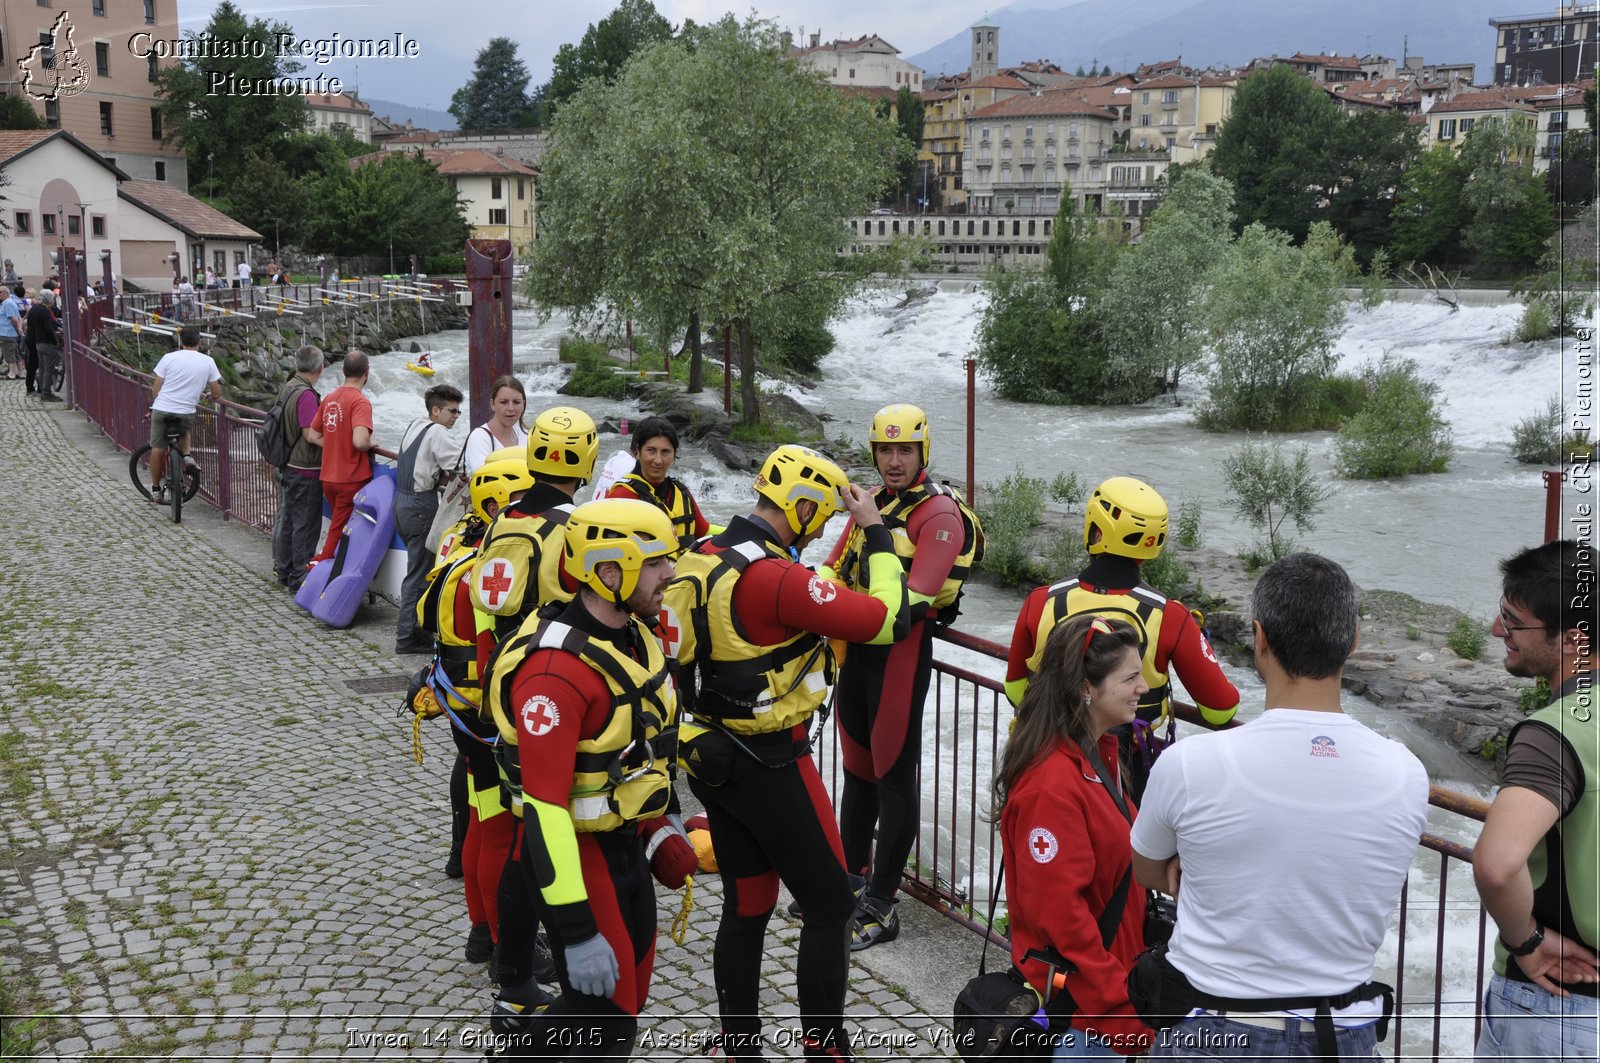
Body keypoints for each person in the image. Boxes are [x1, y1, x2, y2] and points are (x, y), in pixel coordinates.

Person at [664, 444, 910, 1061]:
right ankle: (825, 1048)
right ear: (801, 506)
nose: (822, 526)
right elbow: (888, 618)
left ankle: (741, 1048)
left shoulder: (704, 553)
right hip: (772, 760)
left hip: (714, 754)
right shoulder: (774, 576)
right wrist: (876, 531)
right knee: (831, 903)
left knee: (748, 904)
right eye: (821, 516)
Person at [1130, 552, 1428, 1061]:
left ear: (1259, 637)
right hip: (1345, 1034)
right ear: (1352, 642)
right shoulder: (1406, 773)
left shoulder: (1190, 763)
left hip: (1216, 1028)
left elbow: (1148, 871)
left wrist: (1202, 865)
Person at [483, 498, 689, 1059]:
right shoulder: (554, 673)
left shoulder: (635, 635)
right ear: (607, 570)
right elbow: (545, 809)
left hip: (624, 852)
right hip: (575, 861)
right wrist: (574, 930)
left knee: (611, 1004)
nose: (670, 573)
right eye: (654, 562)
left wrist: (661, 830)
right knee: (611, 1028)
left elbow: (639, 752)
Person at [819, 403, 979, 949]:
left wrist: (841, 603)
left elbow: (909, 606)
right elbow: (833, 568)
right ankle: (848, 883)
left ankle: (883, 904)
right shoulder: (873, 502)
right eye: (884, 450)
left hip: (901, 653)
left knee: (891, 776)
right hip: (860, 653)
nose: (893, 461)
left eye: (904, 450)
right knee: (858, 771)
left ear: (922, 452)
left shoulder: (938, 517)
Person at [470, 405, 599, 1003]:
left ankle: (510, 959)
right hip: (552, 685)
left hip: (499, 680)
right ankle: (535, 959)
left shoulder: (504, 520)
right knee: (546, 827)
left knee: (516, 825)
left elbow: (491, 603)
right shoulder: (577, 526)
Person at [1006, 476, 1239, 798]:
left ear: (1095, 530)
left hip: (1045, 752)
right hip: (1128, 769)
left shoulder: (1043, 600)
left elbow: (1016, 690)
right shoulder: (1169, 615)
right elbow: (1221, 710)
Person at [995, 615, 1154, 1058]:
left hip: (1109, 995)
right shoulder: (1053, 784)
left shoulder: (1097, 755)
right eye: (1131, 677)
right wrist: (1119, 1009)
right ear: (1087, 688)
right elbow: (1061, 916)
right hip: (1088, 1017)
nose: (1144, 687)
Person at [1473, 539, 1600, 1059]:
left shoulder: (1556, 732)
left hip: (1557, 1007)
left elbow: (1498, 864)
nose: (1496, 630)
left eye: (1512, 620)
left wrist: (1526, 943)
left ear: (1573, 639)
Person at [415, 451, 535, 969]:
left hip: (461, 708)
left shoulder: (460, 546)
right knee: (502, 833)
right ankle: (507, 942)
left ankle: (481, 933)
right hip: (489, 717)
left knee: (483, 825)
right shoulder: (496, 567)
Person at [472, 404, 597, 651]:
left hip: (502, 660)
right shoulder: (579, 528)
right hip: (554, 666)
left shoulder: (500, 518)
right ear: (588, 460)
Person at [394, 384, 465, 654]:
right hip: (420, 504)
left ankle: (414, 631)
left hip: (401, 501)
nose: (455, 416)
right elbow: (460, 465)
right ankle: (407, 637)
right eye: (451, 411)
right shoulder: (438, 432)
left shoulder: (416, 424)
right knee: (419, 573)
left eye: (458, 411)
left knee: (415, 570)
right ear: (435, 410)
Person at [306, 350, 375, 562]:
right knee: (339, 532)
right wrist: (371, 443)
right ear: (367, 372)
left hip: (329, 477)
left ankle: (332, 568)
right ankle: (320, 572)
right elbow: (360, 441)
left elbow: (312, 435)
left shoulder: (330, 398)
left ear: (343, 371)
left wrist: (336, 444)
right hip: (351, 478)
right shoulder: (360, 402)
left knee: (339, 526)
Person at [604, 416, 710, 548]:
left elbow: (705, 534)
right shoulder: (621, 496)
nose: (658, 460)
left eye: (665, 452)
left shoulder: (681, 494)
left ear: (674, 455)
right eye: (651, 451)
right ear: (637, 452)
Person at [270, 345, 325, 591]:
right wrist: (340, 445)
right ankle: (299, 578)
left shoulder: (287, 387)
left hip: (287, 464)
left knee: (290, 520)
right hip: (305, 467)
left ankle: (284, 571)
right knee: (305, 524)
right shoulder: (306, 395)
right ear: (320, 368)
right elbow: (311, 434)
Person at [146, 325, 222, 499]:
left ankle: (156, 490)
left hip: (162, 408)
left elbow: (155, 388)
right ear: (200, 342)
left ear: (180, 342)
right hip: (186, 411)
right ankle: (187, 456)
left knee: (157, 449)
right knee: (184, 428)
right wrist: (211, 395)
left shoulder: (168, 357)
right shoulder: (208, 361)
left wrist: (157, 403)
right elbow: (217, 393)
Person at [463, 375, 528, 476]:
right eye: (504, 402)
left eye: (516, 402)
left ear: (523, 404)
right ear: (492, 404)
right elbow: (483, 477)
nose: (511, 408)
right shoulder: (479, 437)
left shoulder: (526, 436)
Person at [0, 282, 24, 380]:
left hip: (7, 332)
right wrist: (19, 328)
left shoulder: (7, 303)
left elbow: (14, 319)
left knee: (9, 353)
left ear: (5, 293)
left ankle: (12, 373)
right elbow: (19, 318)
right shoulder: (10, 302)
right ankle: (20, 372)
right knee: (15, 353)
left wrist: (17, 328)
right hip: (10, 332)